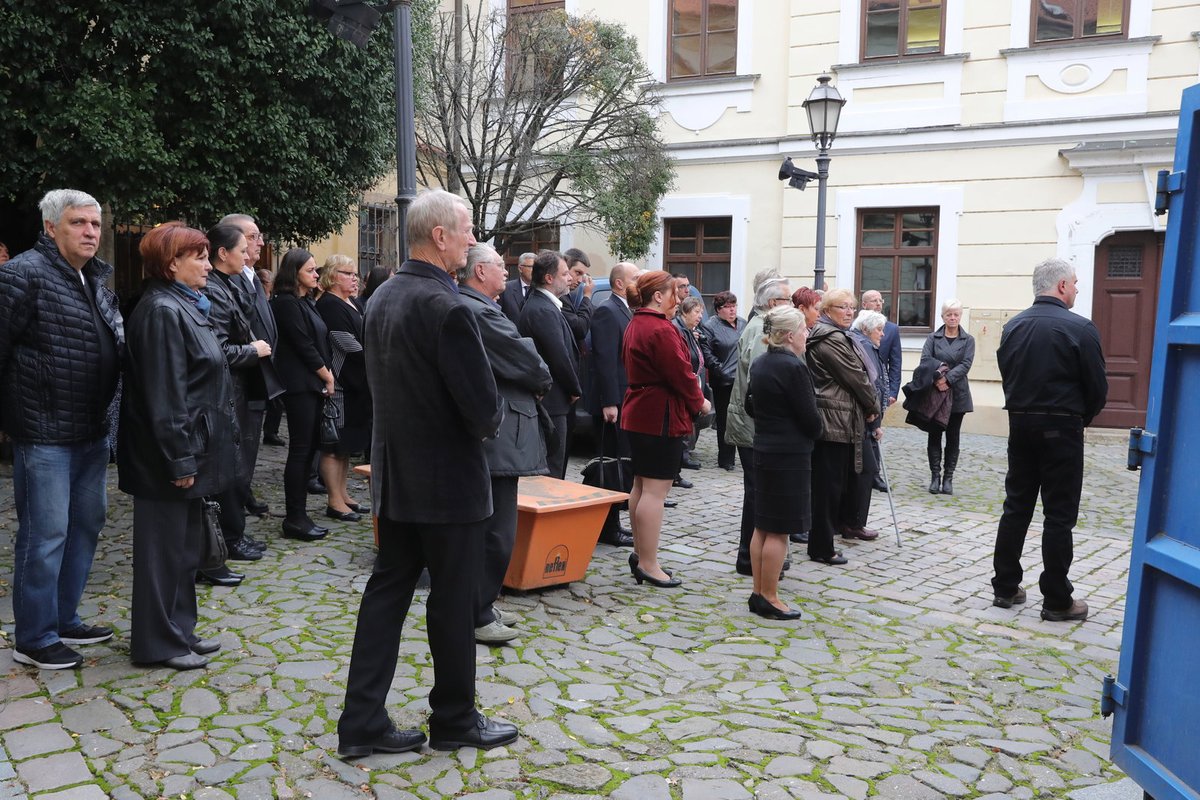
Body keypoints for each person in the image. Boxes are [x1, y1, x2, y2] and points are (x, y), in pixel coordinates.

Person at [338, 189, 516, 757]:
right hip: (449, 487)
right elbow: (483, 410)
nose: (471, 239)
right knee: (453, 599)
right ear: (440, 236)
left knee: (386, 595)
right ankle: (455, 717)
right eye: (465, 230)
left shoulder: (384, 294)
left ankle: (362, 720)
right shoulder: (449, 306)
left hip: (396, 479)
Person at [0, 189, 124, 670]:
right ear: (51, 227)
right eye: (78, 223)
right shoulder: (20, 275)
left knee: (87, 524)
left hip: (91, 431)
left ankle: (63, 615)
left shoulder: (93, 278)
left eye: (94, 224)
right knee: (44, 533)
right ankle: (33, 636)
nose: (90, 232)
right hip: (44, 431)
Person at [118, 222, 239, 670]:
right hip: (166, 458)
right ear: (172, 264)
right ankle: (157, 642)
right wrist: (179, 458)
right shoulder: (162, 311)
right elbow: (165, 396)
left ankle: (180, 630)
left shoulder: (185, 306)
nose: (209, 265)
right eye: (200, 257)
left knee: (185, 551)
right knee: (161, 555)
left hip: (191, 449)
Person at [991, 258, 1107, 622]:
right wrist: (1078, 418)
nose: (1076, 288)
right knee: (1059, 515)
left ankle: (1005, 586)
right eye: (1074, 283)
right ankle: (1057, 599)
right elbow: (1097, 389)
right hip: (1062, 428)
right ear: (1060, 286)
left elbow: (1007, 374)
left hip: (1021, 424)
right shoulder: (1081, 328)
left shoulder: (1013, 326)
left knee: (1017, 506)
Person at [457, 243, 551, 645]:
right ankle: (476, 613)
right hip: (498, 437)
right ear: (480, 272)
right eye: (501, 266)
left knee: (495, 529)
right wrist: (536, 364)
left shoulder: (481, 307)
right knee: (497, 533)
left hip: (499, 433)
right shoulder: (477, 310)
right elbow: (528, 360)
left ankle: (481, 605)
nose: (508, 274)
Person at [621, 271, 710, 589]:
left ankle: (640, 553)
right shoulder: (659, 329)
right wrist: (700, 402)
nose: (680, 297)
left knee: (642, 487)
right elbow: (681, 375)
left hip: (640, 412)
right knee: (655, 491)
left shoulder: (637, 323)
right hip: (659, 415)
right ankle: (648, 562)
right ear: (657, 296)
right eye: (674, 291)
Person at [202, 224, 274, 583]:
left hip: (242, 388)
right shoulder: (214, 289)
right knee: (229, 466)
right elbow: (217, 348)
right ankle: (229, 537)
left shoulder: (232, 283)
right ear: (222, 253)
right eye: (242, 250)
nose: (248, 255)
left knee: (239, 463)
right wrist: (252, 350)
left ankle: (234, 534)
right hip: (228, 390)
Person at [746, 306, 823, 620]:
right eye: (804, 330)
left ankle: (757, 591)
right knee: (778, 531)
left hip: (764, 448)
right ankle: (770, 596)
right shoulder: (793, 366)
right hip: (789, 455)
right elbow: (810, 418)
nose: (807, 335)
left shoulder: (762, 362)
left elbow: (750, 404)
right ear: (790, 335)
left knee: (763, 525)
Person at [806, 289, 881, 566]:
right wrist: (873, 406)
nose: (849, 312)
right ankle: (822, 547)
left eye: (852, 307)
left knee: (836, 484)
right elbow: (857, 378)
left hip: (840, 417)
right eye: (843, 307)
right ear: (827, 310)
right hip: (833, 419)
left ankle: (829, 538)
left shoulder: (836, 334)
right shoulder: (832, 338)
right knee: (827, 487)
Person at [726, 275, 792, 576]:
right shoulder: (761, 331)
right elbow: (761, 383)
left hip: (753, 423)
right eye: (786, 300)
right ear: (771, 304)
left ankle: (750, 556)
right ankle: (750, 557)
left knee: (757, 492)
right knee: (759, 493)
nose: (791, 305)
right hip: (755, 426)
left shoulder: (760, 326)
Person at [271, 248, 336, 542]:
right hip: (300, 384)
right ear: (293, 272)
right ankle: (295, 516)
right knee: (300, 450)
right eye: (310, 270)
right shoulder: (286, 303)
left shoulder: (306, 301)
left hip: (311, 383)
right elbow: (302, 343)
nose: (316, 274)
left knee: (308, 449)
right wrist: (326, 373)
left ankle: (301, 514)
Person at [316, 256, 371, 522]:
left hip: (358, 384)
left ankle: (344, 493)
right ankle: (334, 500)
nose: (354, 278)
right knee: (333, 444)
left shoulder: (352, 303)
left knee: (346, 445)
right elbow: (344, 341)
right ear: (332, 275)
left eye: (355, 273)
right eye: (347, 273)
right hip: (340, 383)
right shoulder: (329, 304)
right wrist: (374, 354)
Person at [518, 250, 581, 480]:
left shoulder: (546, 305)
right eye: (565, 273)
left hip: (555, 400)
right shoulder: (542, 308)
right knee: (553, 470)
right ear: (549, 278)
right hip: (553, 401)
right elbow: (558, 356)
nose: (570, 278)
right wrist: (574, 389)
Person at [589, 261, 637, 547]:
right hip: (613, 402)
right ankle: (608, 527)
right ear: (620, 283)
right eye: (634, 279)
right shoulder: (608, 310)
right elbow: (604, 360)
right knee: (609, 465)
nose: (638, 284)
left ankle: (613, 522)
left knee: (621, 463)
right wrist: (609, 401)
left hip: (624, 398)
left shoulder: (625, 309)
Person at [921, 299, 975, 495]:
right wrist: (938, 378)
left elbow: (966, 363)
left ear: (960, 316)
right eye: (949, 314)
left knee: (953, 437)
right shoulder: (933, 338)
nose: (952, 318)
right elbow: (926, 360)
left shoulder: (968, 340)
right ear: (942, 316)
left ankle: (948, 478)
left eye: (956, 314)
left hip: (957, 393)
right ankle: (935, 476)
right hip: (936, 392)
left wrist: (948, 379)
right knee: (934, 434)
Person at [844, 310, 889, 540]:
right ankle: (854, 523)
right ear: (866, 329)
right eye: (879, 329)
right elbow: (869, 386)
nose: (882, 334)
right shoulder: (865, 347)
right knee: (866, 470)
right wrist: (876, 422)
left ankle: (850, 521)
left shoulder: (863, 344)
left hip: (865, 417)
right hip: (864, 419)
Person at [700, 291, 746, 471]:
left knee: (742, 418)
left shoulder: (742, 323)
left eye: (733, 306)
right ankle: (726, 458)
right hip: (724, 381)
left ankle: (743, 454)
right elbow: (707, 352)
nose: (732, 310)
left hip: (742, 379)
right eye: (727, 307)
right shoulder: (710, 326)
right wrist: (720, 370)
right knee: (725, 420)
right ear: (719, 310)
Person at [861, 290, 900, 491]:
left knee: (876, 428)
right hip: (864, 386)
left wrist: (893, 390)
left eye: (880, 300)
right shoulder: (857, 327)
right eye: (874, 301)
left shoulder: (891, 329)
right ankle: (866, 470)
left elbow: (895, 361)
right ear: (864, 303)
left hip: (881, 389)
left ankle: (875, 474)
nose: (878, 303)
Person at [673, 295, 708, 485]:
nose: (700, 316)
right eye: (696, 312)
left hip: (694, 382)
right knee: (681, 430)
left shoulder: (689, 330)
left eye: (701, 312)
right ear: (685, 312)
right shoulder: (678, 329)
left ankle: (676, 471)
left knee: (687, 427)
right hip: (685, 385)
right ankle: (674, 473)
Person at [499, 251, 535, 323]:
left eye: (537, 267)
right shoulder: (505, 288)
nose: (535, 271)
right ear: (520, 268)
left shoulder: (542, 290)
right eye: (531, 267)